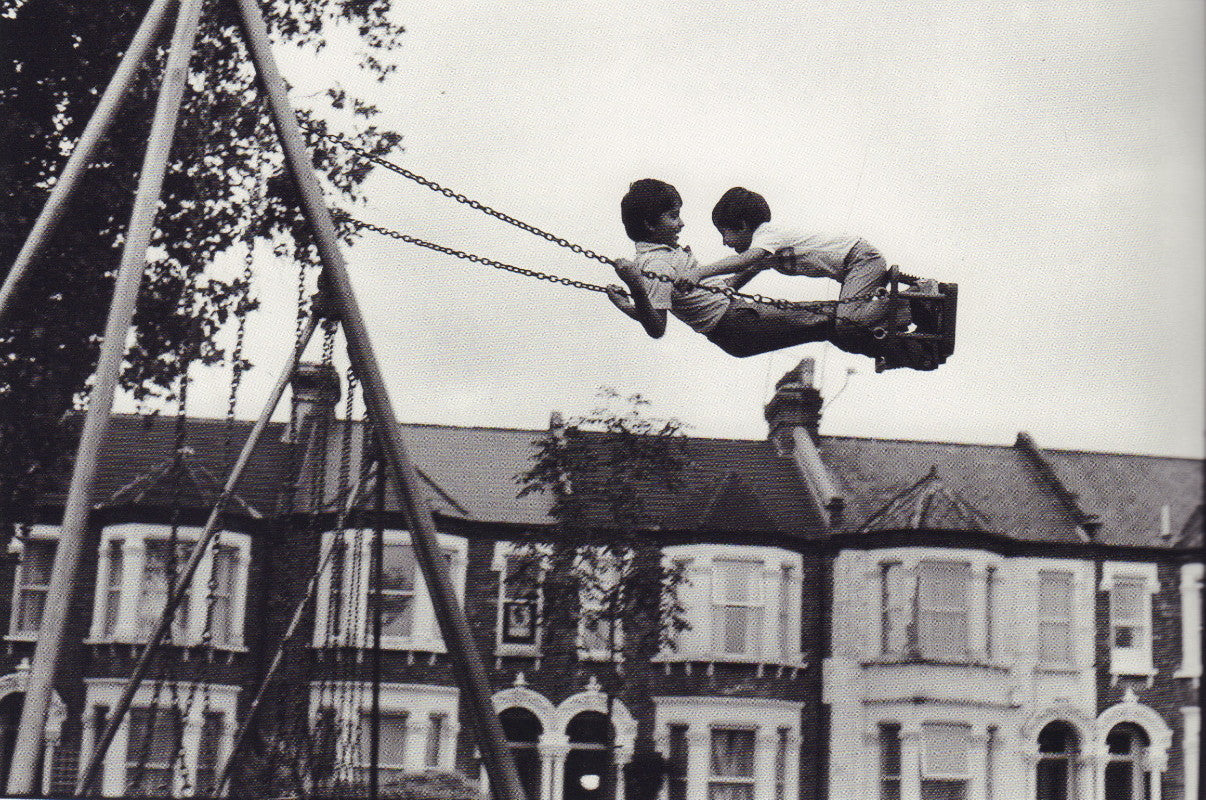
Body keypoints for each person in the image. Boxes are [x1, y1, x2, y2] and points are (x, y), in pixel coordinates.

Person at [606, 179, 910, 359]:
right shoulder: (656, 264)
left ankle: (894, 337)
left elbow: (655, 311)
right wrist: (631, 293)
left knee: (833, 325)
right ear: (649, 224)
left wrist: (632, 302)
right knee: (833, 320)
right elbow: (657, 324)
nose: (681, 223)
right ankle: (909, 308)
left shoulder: (662, 258)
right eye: (673, 217)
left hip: (734, 330)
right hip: (735, 323)